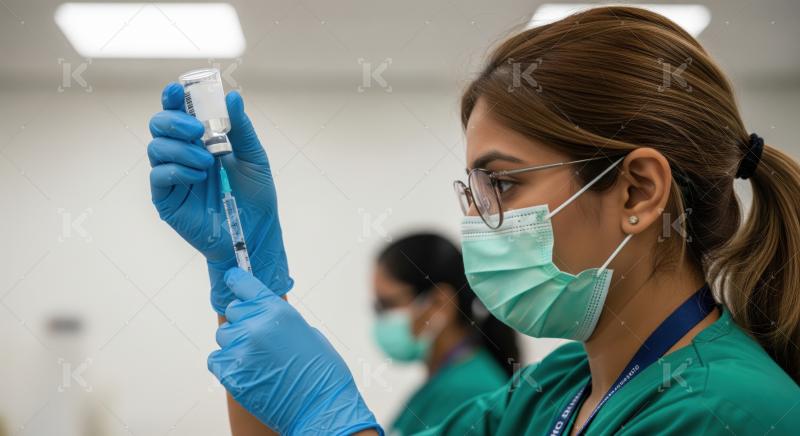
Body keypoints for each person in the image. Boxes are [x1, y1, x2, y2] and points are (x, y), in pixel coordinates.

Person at [147, 6, 800, 435]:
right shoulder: (556, 392)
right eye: (474, 192)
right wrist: (246, 271)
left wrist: (331, 418)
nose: (480, 223)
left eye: (504, 185)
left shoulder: (724, 411)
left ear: (637, 192)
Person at [372, 233, 519, 434]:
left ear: (439, 304)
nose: (381, 318)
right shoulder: (443, 384)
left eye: (388, 304)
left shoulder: (470, 392)